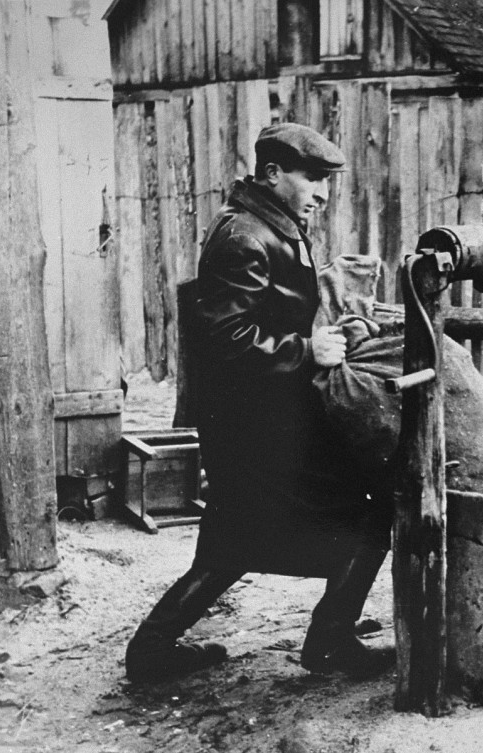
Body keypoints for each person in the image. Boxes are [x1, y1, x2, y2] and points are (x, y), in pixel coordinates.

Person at [125, 123, 392, 684]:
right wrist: (306, 349)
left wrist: (329, 333)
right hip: (256, 426)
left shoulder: (274, 225)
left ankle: (150, 652)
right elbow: (226, 339)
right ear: (273, 174)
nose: (322, 193)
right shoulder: (245, 236)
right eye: (312, 178)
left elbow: (266, 319)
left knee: (231, 544)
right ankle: (330, 643)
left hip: (263, 419)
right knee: (367, 520)